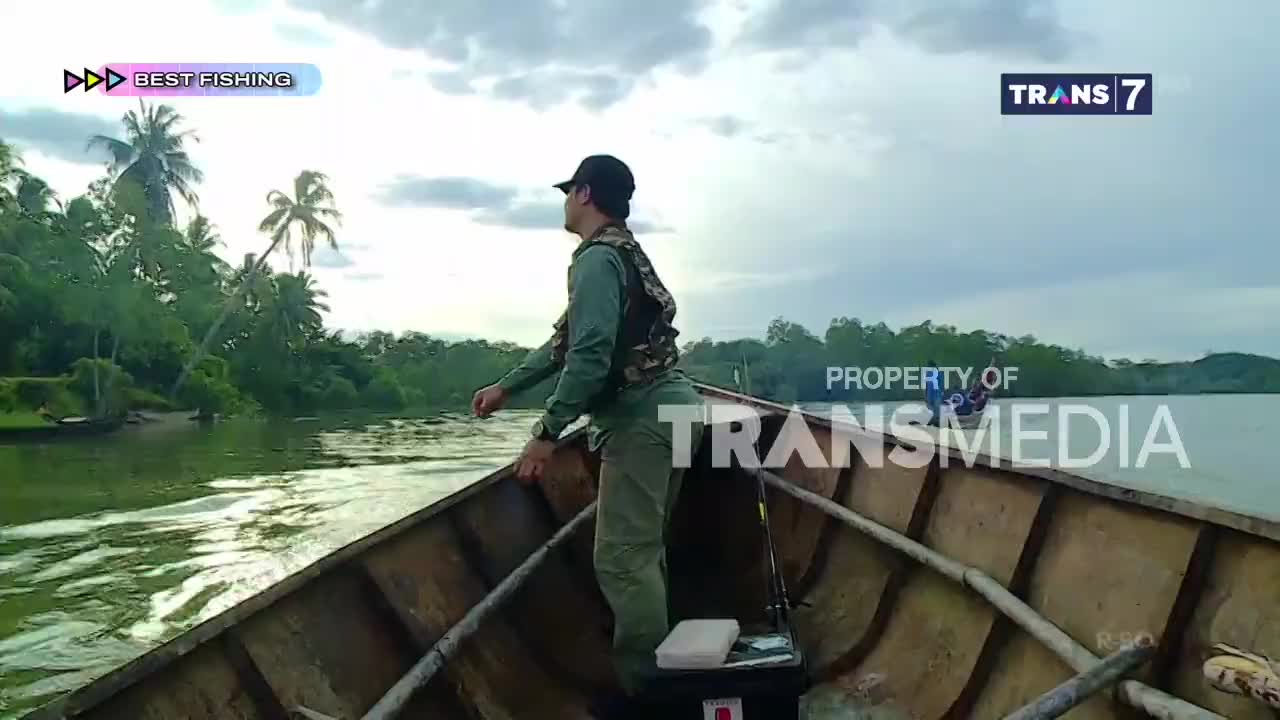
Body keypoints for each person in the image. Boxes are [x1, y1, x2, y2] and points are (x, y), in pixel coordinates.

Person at [471, 154, 705, 718]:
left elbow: (591, 354)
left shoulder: (598, 260)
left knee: (623, 561)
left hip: (643, 419)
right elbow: (565, 343)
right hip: (676, 409)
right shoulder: (622, 252)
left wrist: (546, 433)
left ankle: (649, 695)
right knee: (644, 552)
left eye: (567, 191)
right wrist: (506, 387)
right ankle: (661, 671)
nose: (564, 202)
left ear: (583, 193)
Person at [923, 359, 943, 427]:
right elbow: (926, 385)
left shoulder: (938, 373)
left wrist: (926, 395)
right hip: (933, 394)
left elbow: (941, 384)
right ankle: (934, 422)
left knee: (936, 409)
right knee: (934, 409)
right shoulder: (928, 373)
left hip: (935, 394)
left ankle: (932, 422)